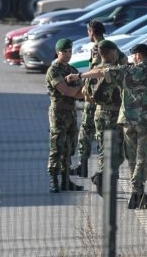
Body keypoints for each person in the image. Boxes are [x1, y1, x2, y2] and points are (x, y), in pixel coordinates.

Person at [68, 43, 147, 209]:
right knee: (143, 158)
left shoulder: (126, 71)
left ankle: (138, 194)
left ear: (138, 56)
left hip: (127, 122)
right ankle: (137, 193)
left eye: (133, 55)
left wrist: (79, 75)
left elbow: (101, 72)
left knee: (133, 159)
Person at [88, 39, 128, 196]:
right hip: (114, 114)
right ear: (111, 52)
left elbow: (87, 96)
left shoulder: (93, 71)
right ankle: (105, 181)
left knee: (104, 149)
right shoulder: (116, 71)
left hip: (99, 113)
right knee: (116, 151)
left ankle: (103, 178)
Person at [45, 38, 85, 193]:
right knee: (57, 147)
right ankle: (53, 180)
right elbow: (66, 91)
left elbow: (82, 95)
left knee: (69, 148)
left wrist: (76, 86)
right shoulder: (53, 70)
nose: (68, 54)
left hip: (70, 112)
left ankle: (65, 180)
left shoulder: (72, 69)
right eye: (65, 52)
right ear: (58, 52)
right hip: (58, 113)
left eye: (70, 51)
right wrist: (78, 86)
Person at [70, 20, 107, 178]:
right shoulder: (109, 45)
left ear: (91, 31)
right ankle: (102, 169)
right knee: (101, 133)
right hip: (104, 97)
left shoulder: (98, 47)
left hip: (95, 97)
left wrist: (83, 85)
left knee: (87, 131)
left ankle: (84, 166)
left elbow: (98, 71)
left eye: (88, 31)